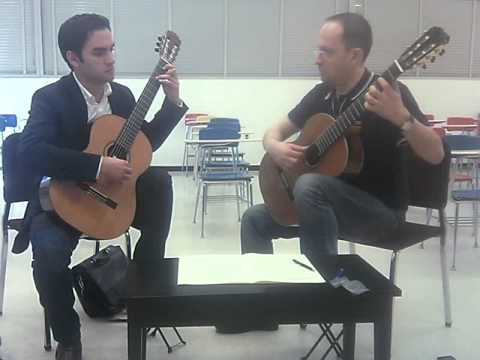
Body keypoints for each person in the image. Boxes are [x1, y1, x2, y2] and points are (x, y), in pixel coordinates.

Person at [234, 12, 444, 331]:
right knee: (255, 220)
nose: (317, 59)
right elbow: (275, 129)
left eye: (326, 52)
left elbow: (435, 153)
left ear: (355, 55)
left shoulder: (387, 94)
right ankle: (264, 309)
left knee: (309, 186)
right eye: (317, 50)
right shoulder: (322, 95)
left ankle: (324, 297)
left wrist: (401, 116)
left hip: (379, 214)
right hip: (321, 207)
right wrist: (274, 146)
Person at [16, 13, 187, 360]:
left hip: (114, 199)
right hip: (65, 201)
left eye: (112, 49)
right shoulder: (49, 98)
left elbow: (142, 145)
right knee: (47, 255)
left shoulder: (122, 96)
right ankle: (68, 337)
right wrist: (96, 164)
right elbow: (31, 151)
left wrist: (172, 103)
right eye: (99, 52)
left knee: (158, 183)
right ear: (73, 58)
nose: (110, 59)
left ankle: (147, 297)